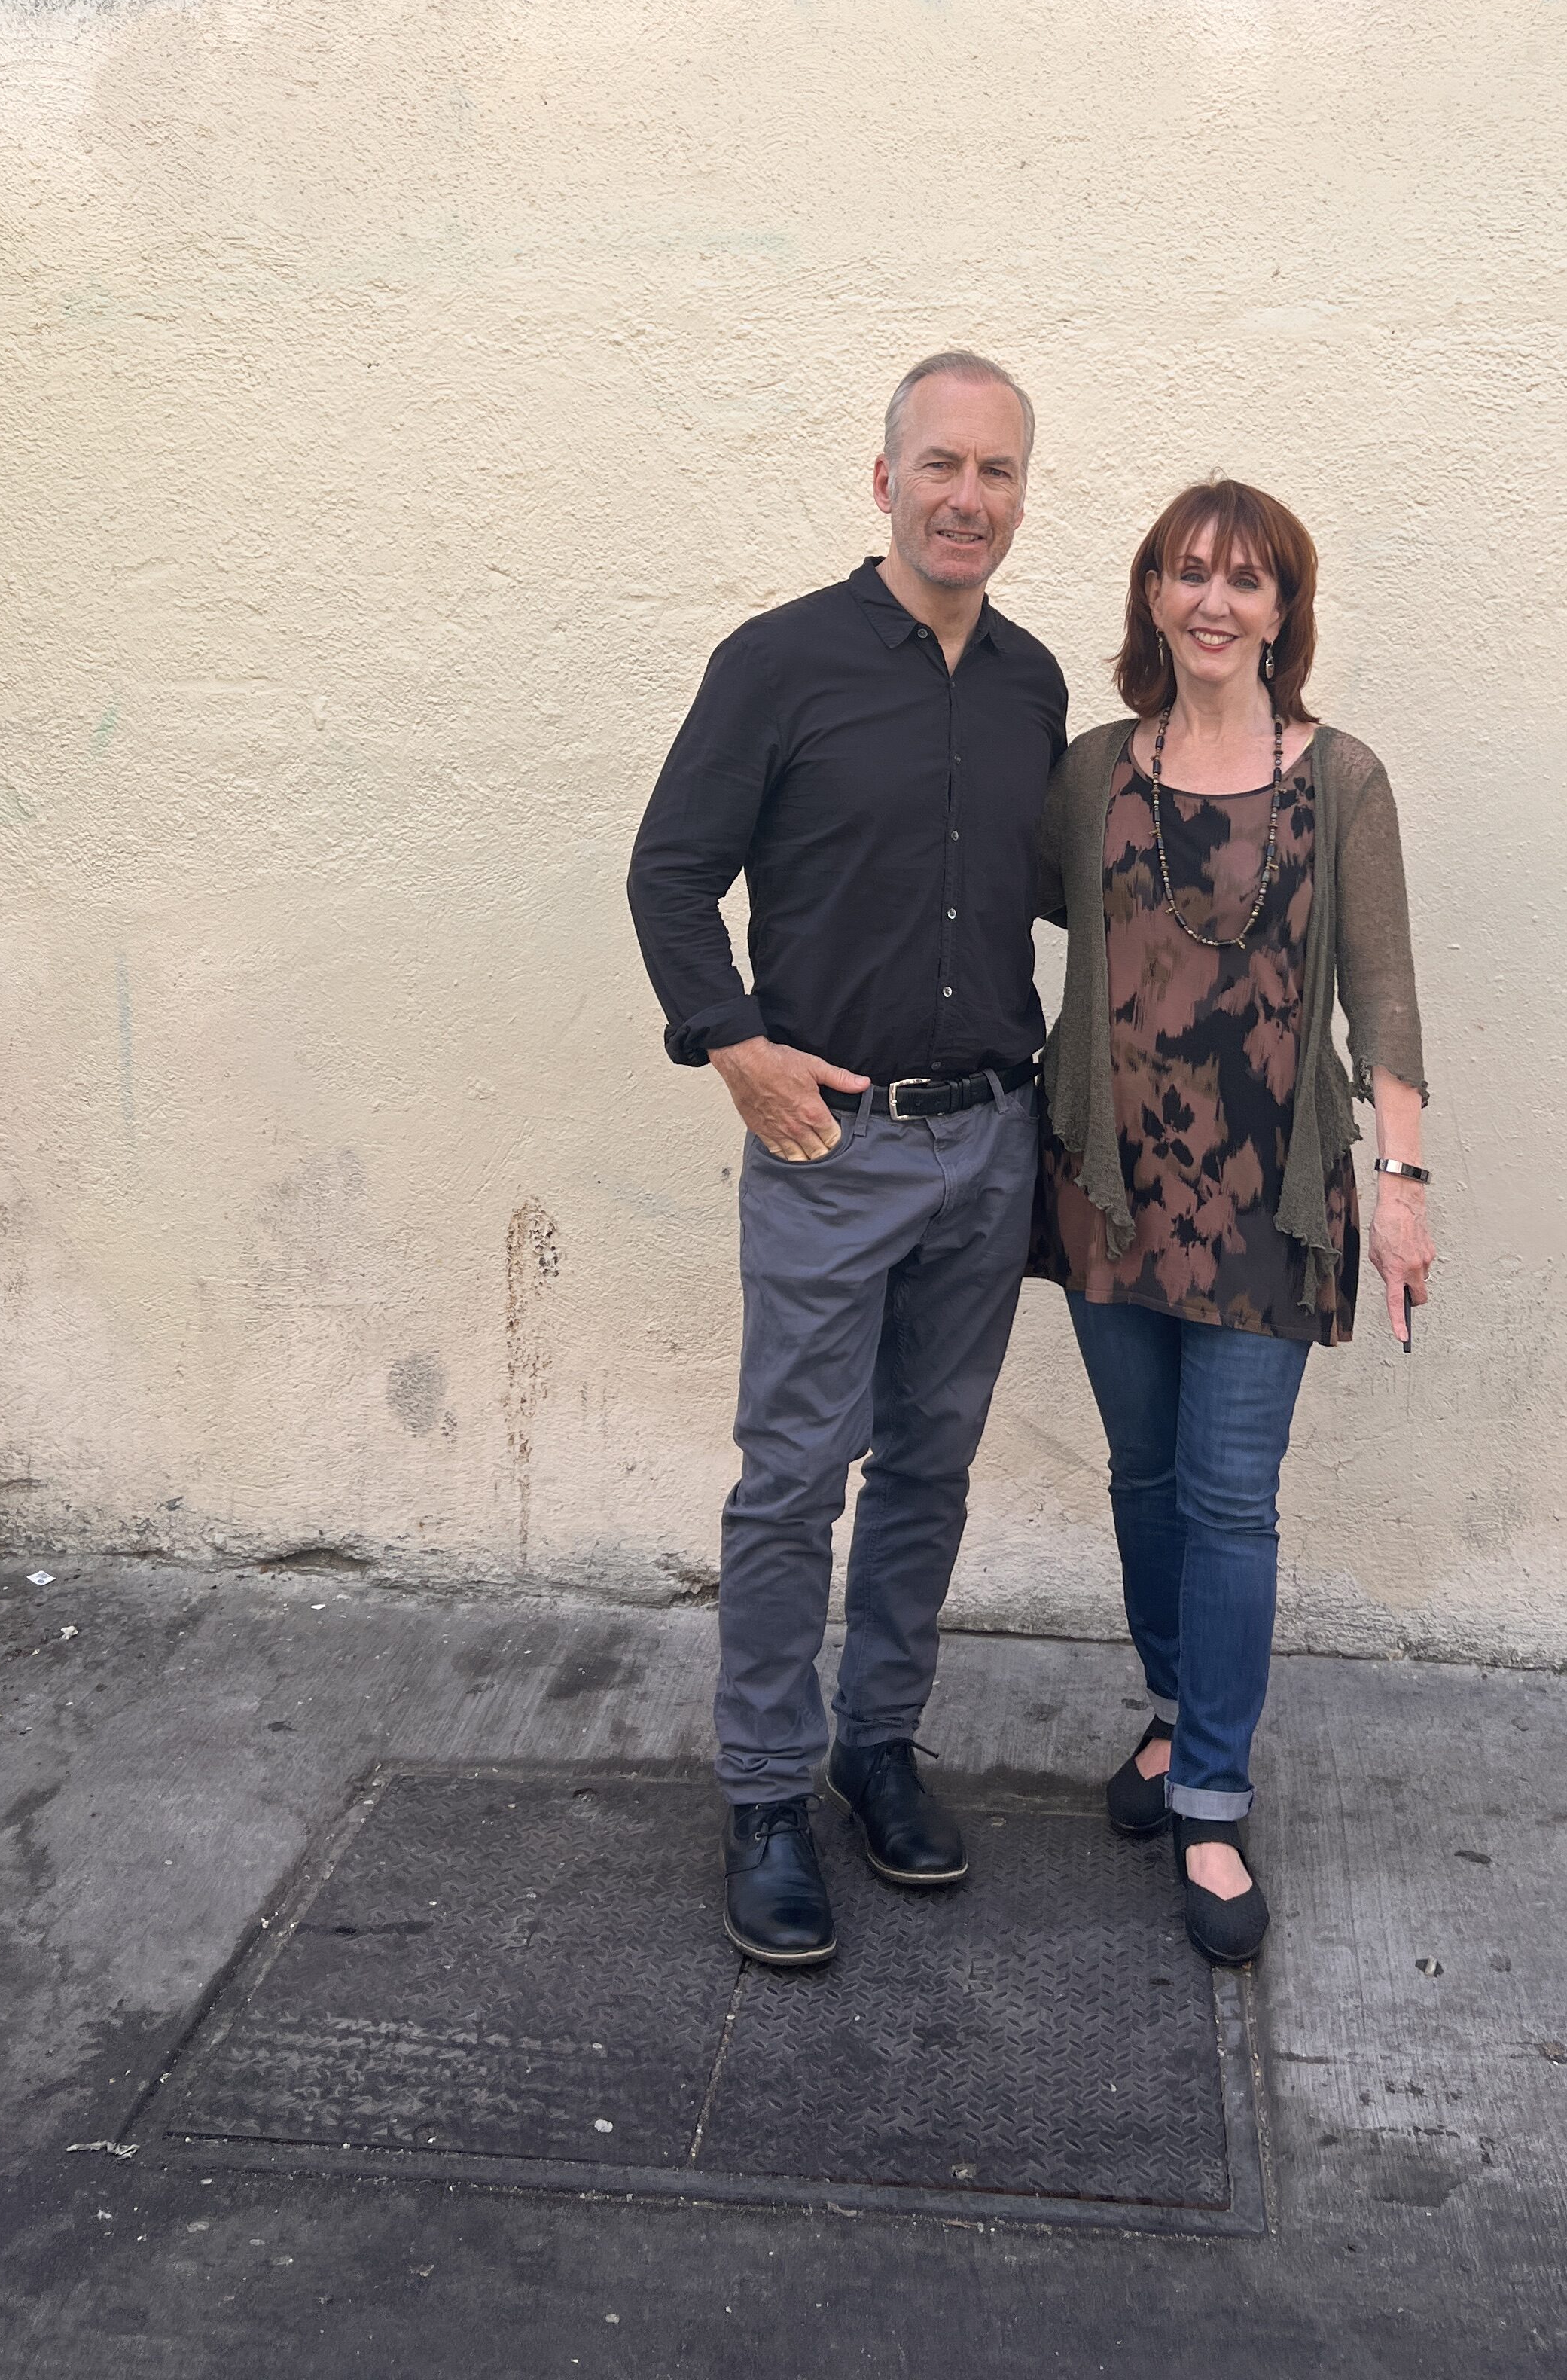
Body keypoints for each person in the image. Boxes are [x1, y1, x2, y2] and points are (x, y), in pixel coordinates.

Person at [627, 355, 1066, 1967]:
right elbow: (670, 877)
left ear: (1025, 496)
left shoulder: (1031, 687)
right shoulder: (780, 663)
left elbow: (1065, 893)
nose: (969, 498)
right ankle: (762, 1792)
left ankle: (878, 1747)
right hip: (833, 1145)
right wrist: (733, 1049)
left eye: (999, 473)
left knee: (929, 1472)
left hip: (989, 1142)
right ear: (881, 477)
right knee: (793, 1481)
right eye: (941, 464)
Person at [1032, 478, 1434, 1967]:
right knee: (1143, 1475)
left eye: (1248, 581)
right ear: (1151, 597)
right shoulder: (1087, 776)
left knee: (1226, 1496)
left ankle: (1209, 1792)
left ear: (1284, 612)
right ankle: (1172, 1705)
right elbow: (1005, 906)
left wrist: (1401, 1182)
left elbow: (1380, 991)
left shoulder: (1342, 781)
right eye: (1189, 572)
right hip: (1110, 1189)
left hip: (1272, 1204)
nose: (1216, 600)